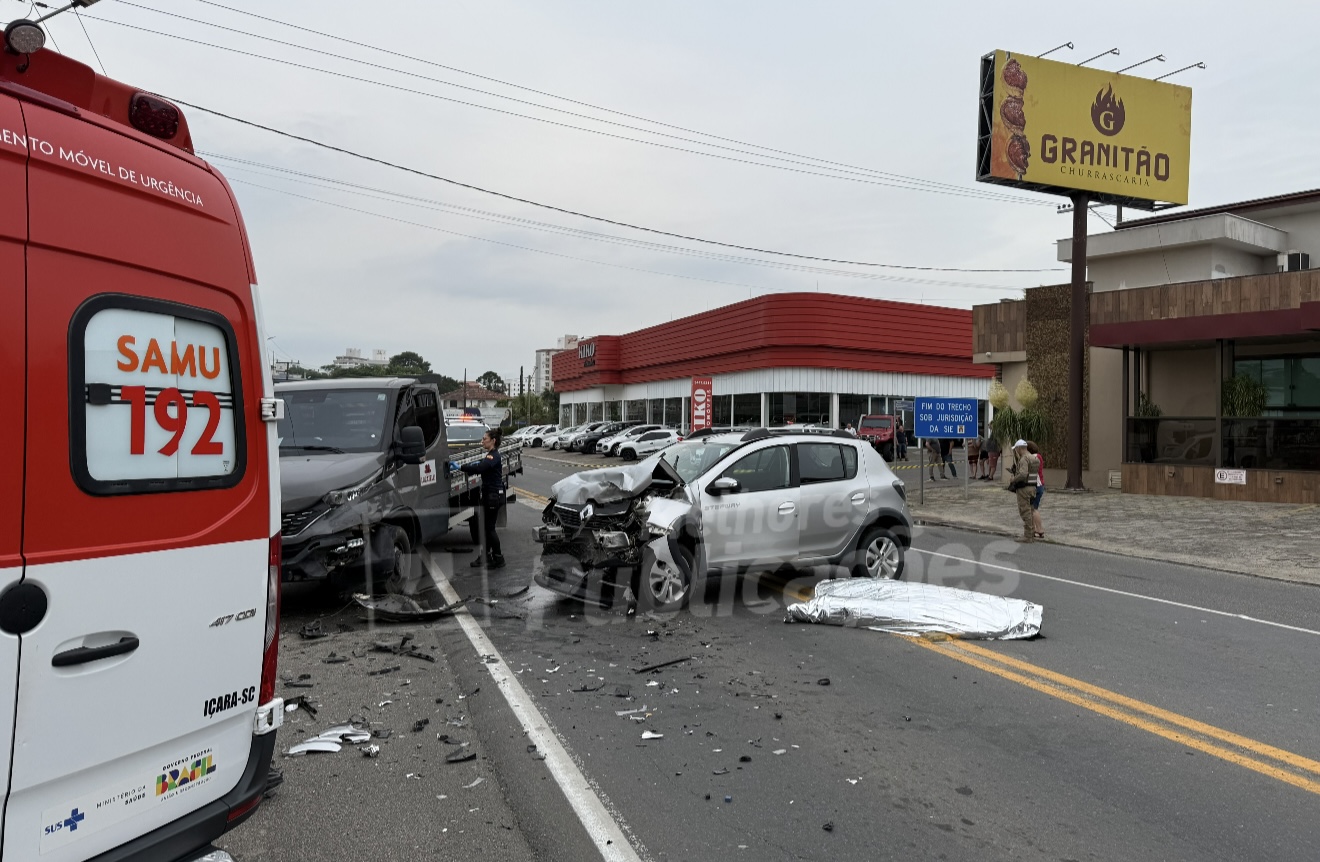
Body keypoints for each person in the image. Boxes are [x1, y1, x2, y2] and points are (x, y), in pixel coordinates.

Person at [452, 427, 506, 569]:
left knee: (489, 529)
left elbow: (480, 469)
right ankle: (486, 557)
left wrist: (460, 467)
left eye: (484, 439)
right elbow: (482, 467)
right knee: (487, 528)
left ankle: (498, 558)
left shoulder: (493, 456)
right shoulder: (491, 455)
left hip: (493, 497)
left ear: (493, 441)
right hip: (490, 495)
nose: (482, 441)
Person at [1006, 439, 1040, 542]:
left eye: (1016, 449)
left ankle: (1028, 536)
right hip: (1033, 487)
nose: (1016, 451)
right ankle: (1031, 533)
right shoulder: (1034, 458)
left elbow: (1023, 474)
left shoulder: (1024, 459)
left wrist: (1013, 480)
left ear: (1020, 448)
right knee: (1030, 510)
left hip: (1024, 488)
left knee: (1025, 511)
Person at [1026, 441, 1045, 539]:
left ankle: (1039, 529)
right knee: (1032, 508)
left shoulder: (1033, 458)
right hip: (1039, 485)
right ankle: (1034, 529)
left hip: (1036, 485)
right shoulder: (1038, 456)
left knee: (1033, 508)